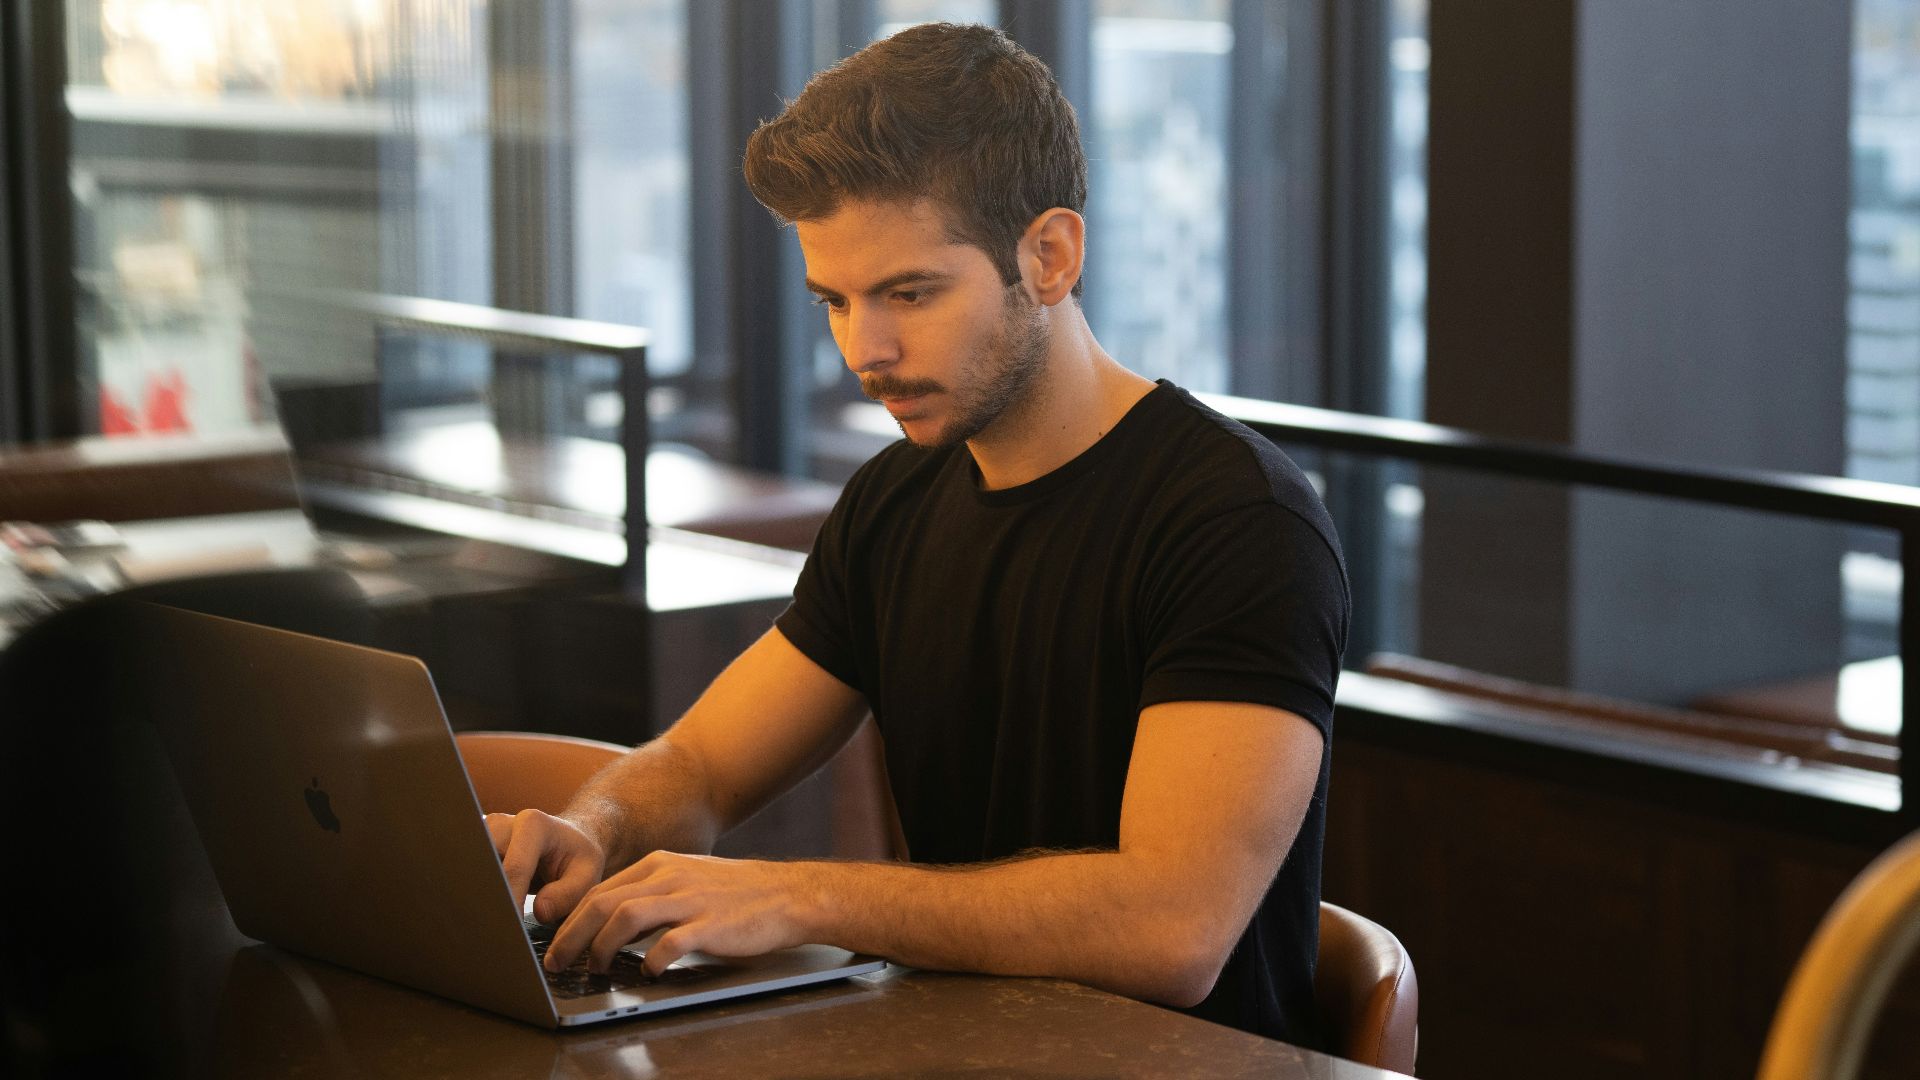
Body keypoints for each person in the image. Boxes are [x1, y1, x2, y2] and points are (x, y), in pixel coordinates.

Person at [486, 21, 1348, 1047]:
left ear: (1052, 255)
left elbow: (1172, 927)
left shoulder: (1238, 519)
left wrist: (803, 897)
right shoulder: (894, 502)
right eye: (835, 302)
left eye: (909, 292)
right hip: (953, 1052)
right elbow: (704, 767)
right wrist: (595, 828)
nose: (865, 348)